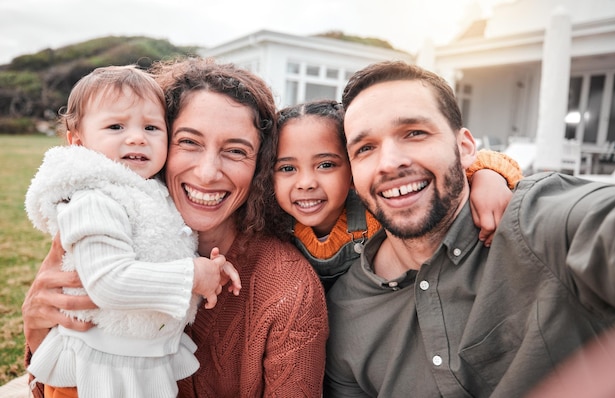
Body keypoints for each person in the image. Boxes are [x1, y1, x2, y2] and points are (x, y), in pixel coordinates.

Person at [22, 58, 329, 398]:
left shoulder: (289, 292)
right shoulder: (109, 228)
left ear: (260, 166)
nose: (208, 172)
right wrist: (36, 332)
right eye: (189, 142)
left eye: (236, 150)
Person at [323, 60, 615, 397]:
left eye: (414, 133)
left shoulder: (537, 224)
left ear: (466, 148)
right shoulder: (345, 313)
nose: (390, 163)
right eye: (365, 148)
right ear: (351, 176)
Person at [24, 65, 241, 398]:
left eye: (152, 127)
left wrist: (212, 270)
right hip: (91, 373)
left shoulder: (151, 195)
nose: (138, 137)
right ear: (78, 142)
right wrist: (192, 276)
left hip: (136, 366)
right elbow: (107, 282)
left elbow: (161, 250)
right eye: (116, 126)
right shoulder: (94, 198)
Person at [274, 100, 522, 291]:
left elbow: (471, 160)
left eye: (326, 165)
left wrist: (489, 177)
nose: (305, 183)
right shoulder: (271, 219)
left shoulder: (377, 206)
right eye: (287, 168)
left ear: (353, 168)